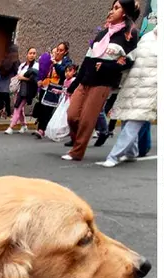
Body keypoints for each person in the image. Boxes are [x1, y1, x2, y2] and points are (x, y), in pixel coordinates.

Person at [63, 0, 140, 162]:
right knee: (72, 116)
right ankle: (80, 140)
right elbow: (87, 60)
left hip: (103, 83)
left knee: (87, 119)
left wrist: (107, 66)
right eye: (112, 8)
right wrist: (75, 84)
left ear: (124, 12)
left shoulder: (130, 34)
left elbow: (129, 60)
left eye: (116, 8)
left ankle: (77, 151)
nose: (111, 11)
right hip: (85, 80)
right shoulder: (102, 33)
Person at [98, 12, 157, 168]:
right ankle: (131, 152)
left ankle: (114, 156)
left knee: (133, 124)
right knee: (125, 119)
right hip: (131, 85)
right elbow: (131, 57)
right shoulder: (146, 38)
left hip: (149, 91)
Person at [32, 43, 72, 139]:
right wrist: (39, 80)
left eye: (61, 50)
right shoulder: (51, 59)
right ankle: (40, 128)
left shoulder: (67, 62)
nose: (58, 52)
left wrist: (56, 64)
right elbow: (42, 71)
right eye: (57, 49)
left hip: (55, 87)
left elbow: (63, 73)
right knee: (42, 107)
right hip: (45, 85)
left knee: (48, 108)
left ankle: (42, 129)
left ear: (66, 52)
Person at [5, 47, 39, 135]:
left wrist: (22, 78)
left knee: (17, 107)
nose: (32, 55)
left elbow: (34, 79)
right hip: (19, 89)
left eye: (34, 53)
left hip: (27, 90)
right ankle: (24, 125)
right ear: (27, 54)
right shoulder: (22, 65)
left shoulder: (36, 66)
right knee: (20, 109)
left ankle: (11, 127)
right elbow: (18, 75)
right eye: (30, 53)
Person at [0, 46, 19, 122]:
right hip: (8, 84)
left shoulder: (4, 61)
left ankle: (7, 114)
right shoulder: (16, 61)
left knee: (1, 100)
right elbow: (18, 72)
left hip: (1, 84)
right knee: (5, 100)